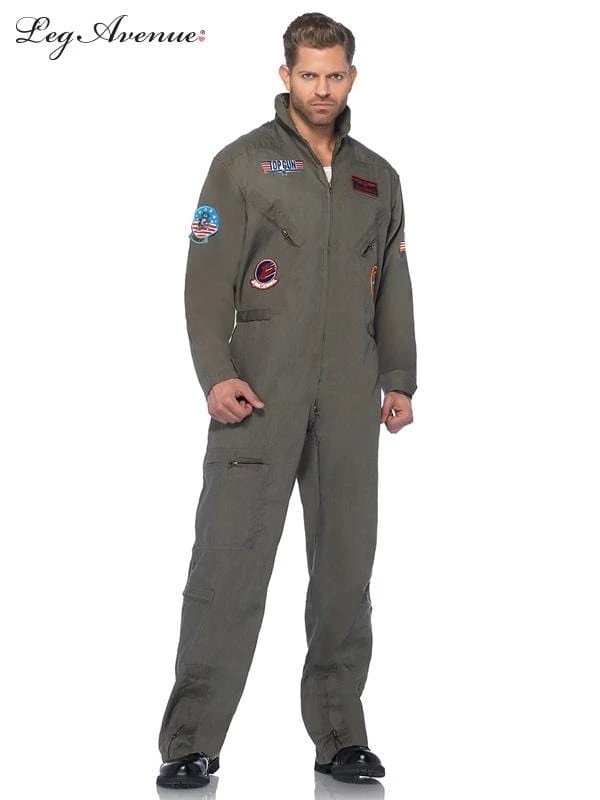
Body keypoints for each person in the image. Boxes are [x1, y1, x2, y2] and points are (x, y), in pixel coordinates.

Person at [156, 11, 417, 789]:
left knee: (345, 571)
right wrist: (215, 374)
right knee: (229, 564)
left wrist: (399, 377)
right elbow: (206, 283)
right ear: (285, 75)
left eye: (335, 75)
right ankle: (191, 741)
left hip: (349, 396)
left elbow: (394, 284)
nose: (322, 89)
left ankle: (341, 737)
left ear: (352, 76)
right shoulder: (241, 164)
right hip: (258, 393)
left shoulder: (377, 177)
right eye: (309, 75)